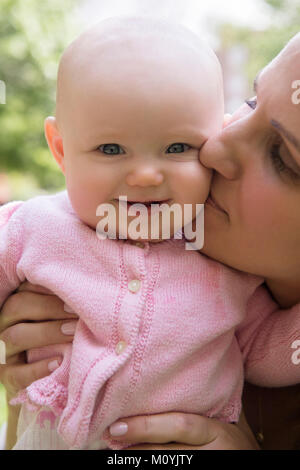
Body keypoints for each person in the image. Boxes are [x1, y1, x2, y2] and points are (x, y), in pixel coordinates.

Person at [0, 21, 299, 451]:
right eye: (250, 103)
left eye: (179, 147)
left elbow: (263, 345)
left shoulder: (227, 277)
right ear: (61, 150)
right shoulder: (34, 227)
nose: (214, 149)